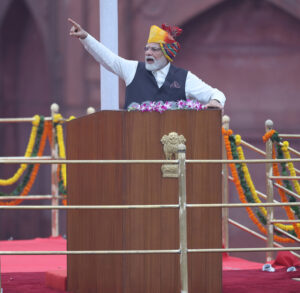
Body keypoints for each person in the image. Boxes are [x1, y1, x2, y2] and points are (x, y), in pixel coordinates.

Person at [68, 18, 226, 109]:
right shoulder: (133, 69)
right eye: (147, 49)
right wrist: (85, 37)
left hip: (172, 156)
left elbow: (217, 94)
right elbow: (108, 58)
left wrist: (215, 102)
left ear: (167, 54)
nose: (148, 53)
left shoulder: (184, 78)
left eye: (154, 50)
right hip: (135, 151)